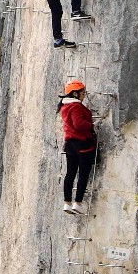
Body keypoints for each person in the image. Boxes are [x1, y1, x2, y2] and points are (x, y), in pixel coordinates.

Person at [58, 80, 97, 214]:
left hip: (70, 144)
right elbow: (79, 124)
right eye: (82, 93)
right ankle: (77, 203)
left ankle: (67, 203)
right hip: (82, 143)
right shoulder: (75, 106)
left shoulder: (64, 107)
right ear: (75, 93)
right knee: (83, 174)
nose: (84, 95)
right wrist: (91, 125)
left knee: (70, 174)